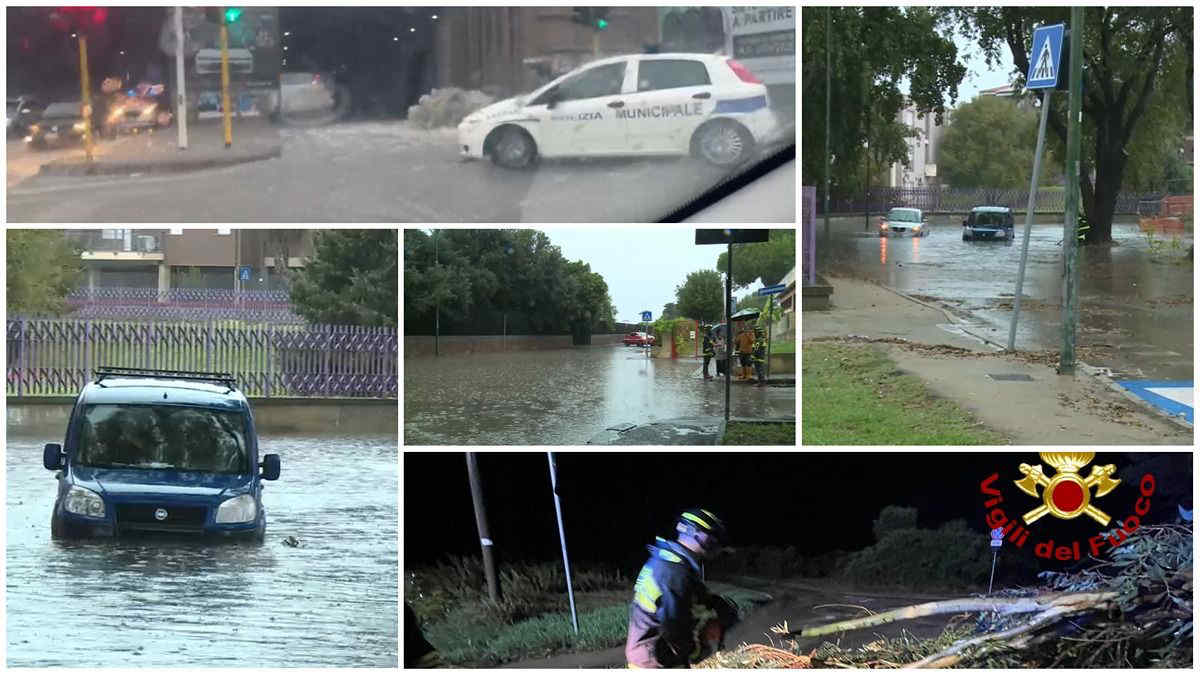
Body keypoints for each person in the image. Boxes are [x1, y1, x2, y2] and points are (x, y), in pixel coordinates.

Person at [626, 509, 737, 669]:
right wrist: (696, 652)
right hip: (654, 660)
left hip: (652, 649)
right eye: (711, 535)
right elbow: (673, 626)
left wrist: (715, 603)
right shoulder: (674, 570)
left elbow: (695, 594)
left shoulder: (673, 560)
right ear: (691, 531)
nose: (715, 542)